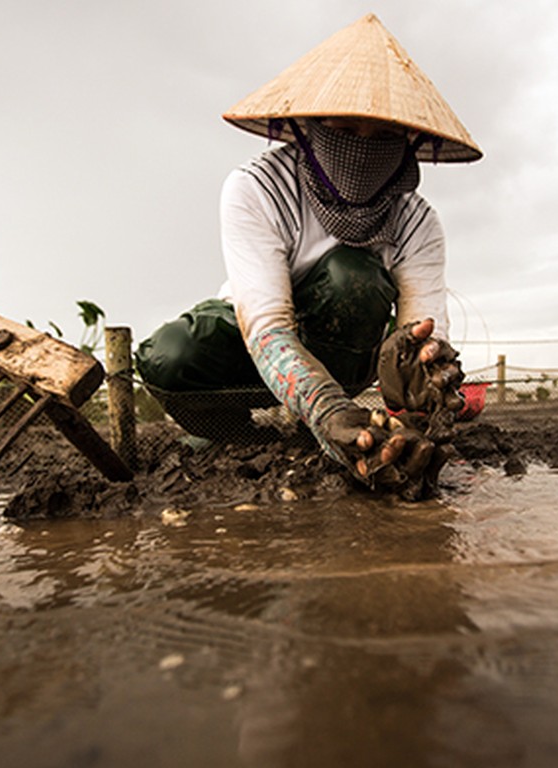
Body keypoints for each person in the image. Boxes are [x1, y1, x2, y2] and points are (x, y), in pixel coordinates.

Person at [135, 14, 482, 498]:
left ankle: (326, 433)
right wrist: (326, 409)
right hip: (252, 344)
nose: (361, 148)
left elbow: (421, 328)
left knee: (351, 275)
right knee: (170, 355)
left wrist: (422, 367)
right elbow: (268, 327)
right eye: (344, 127)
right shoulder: (256, 188)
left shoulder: (417, 222)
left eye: (382, 136)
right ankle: (237, 434)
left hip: (351, 351)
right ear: (309, 128)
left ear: (408, 144)